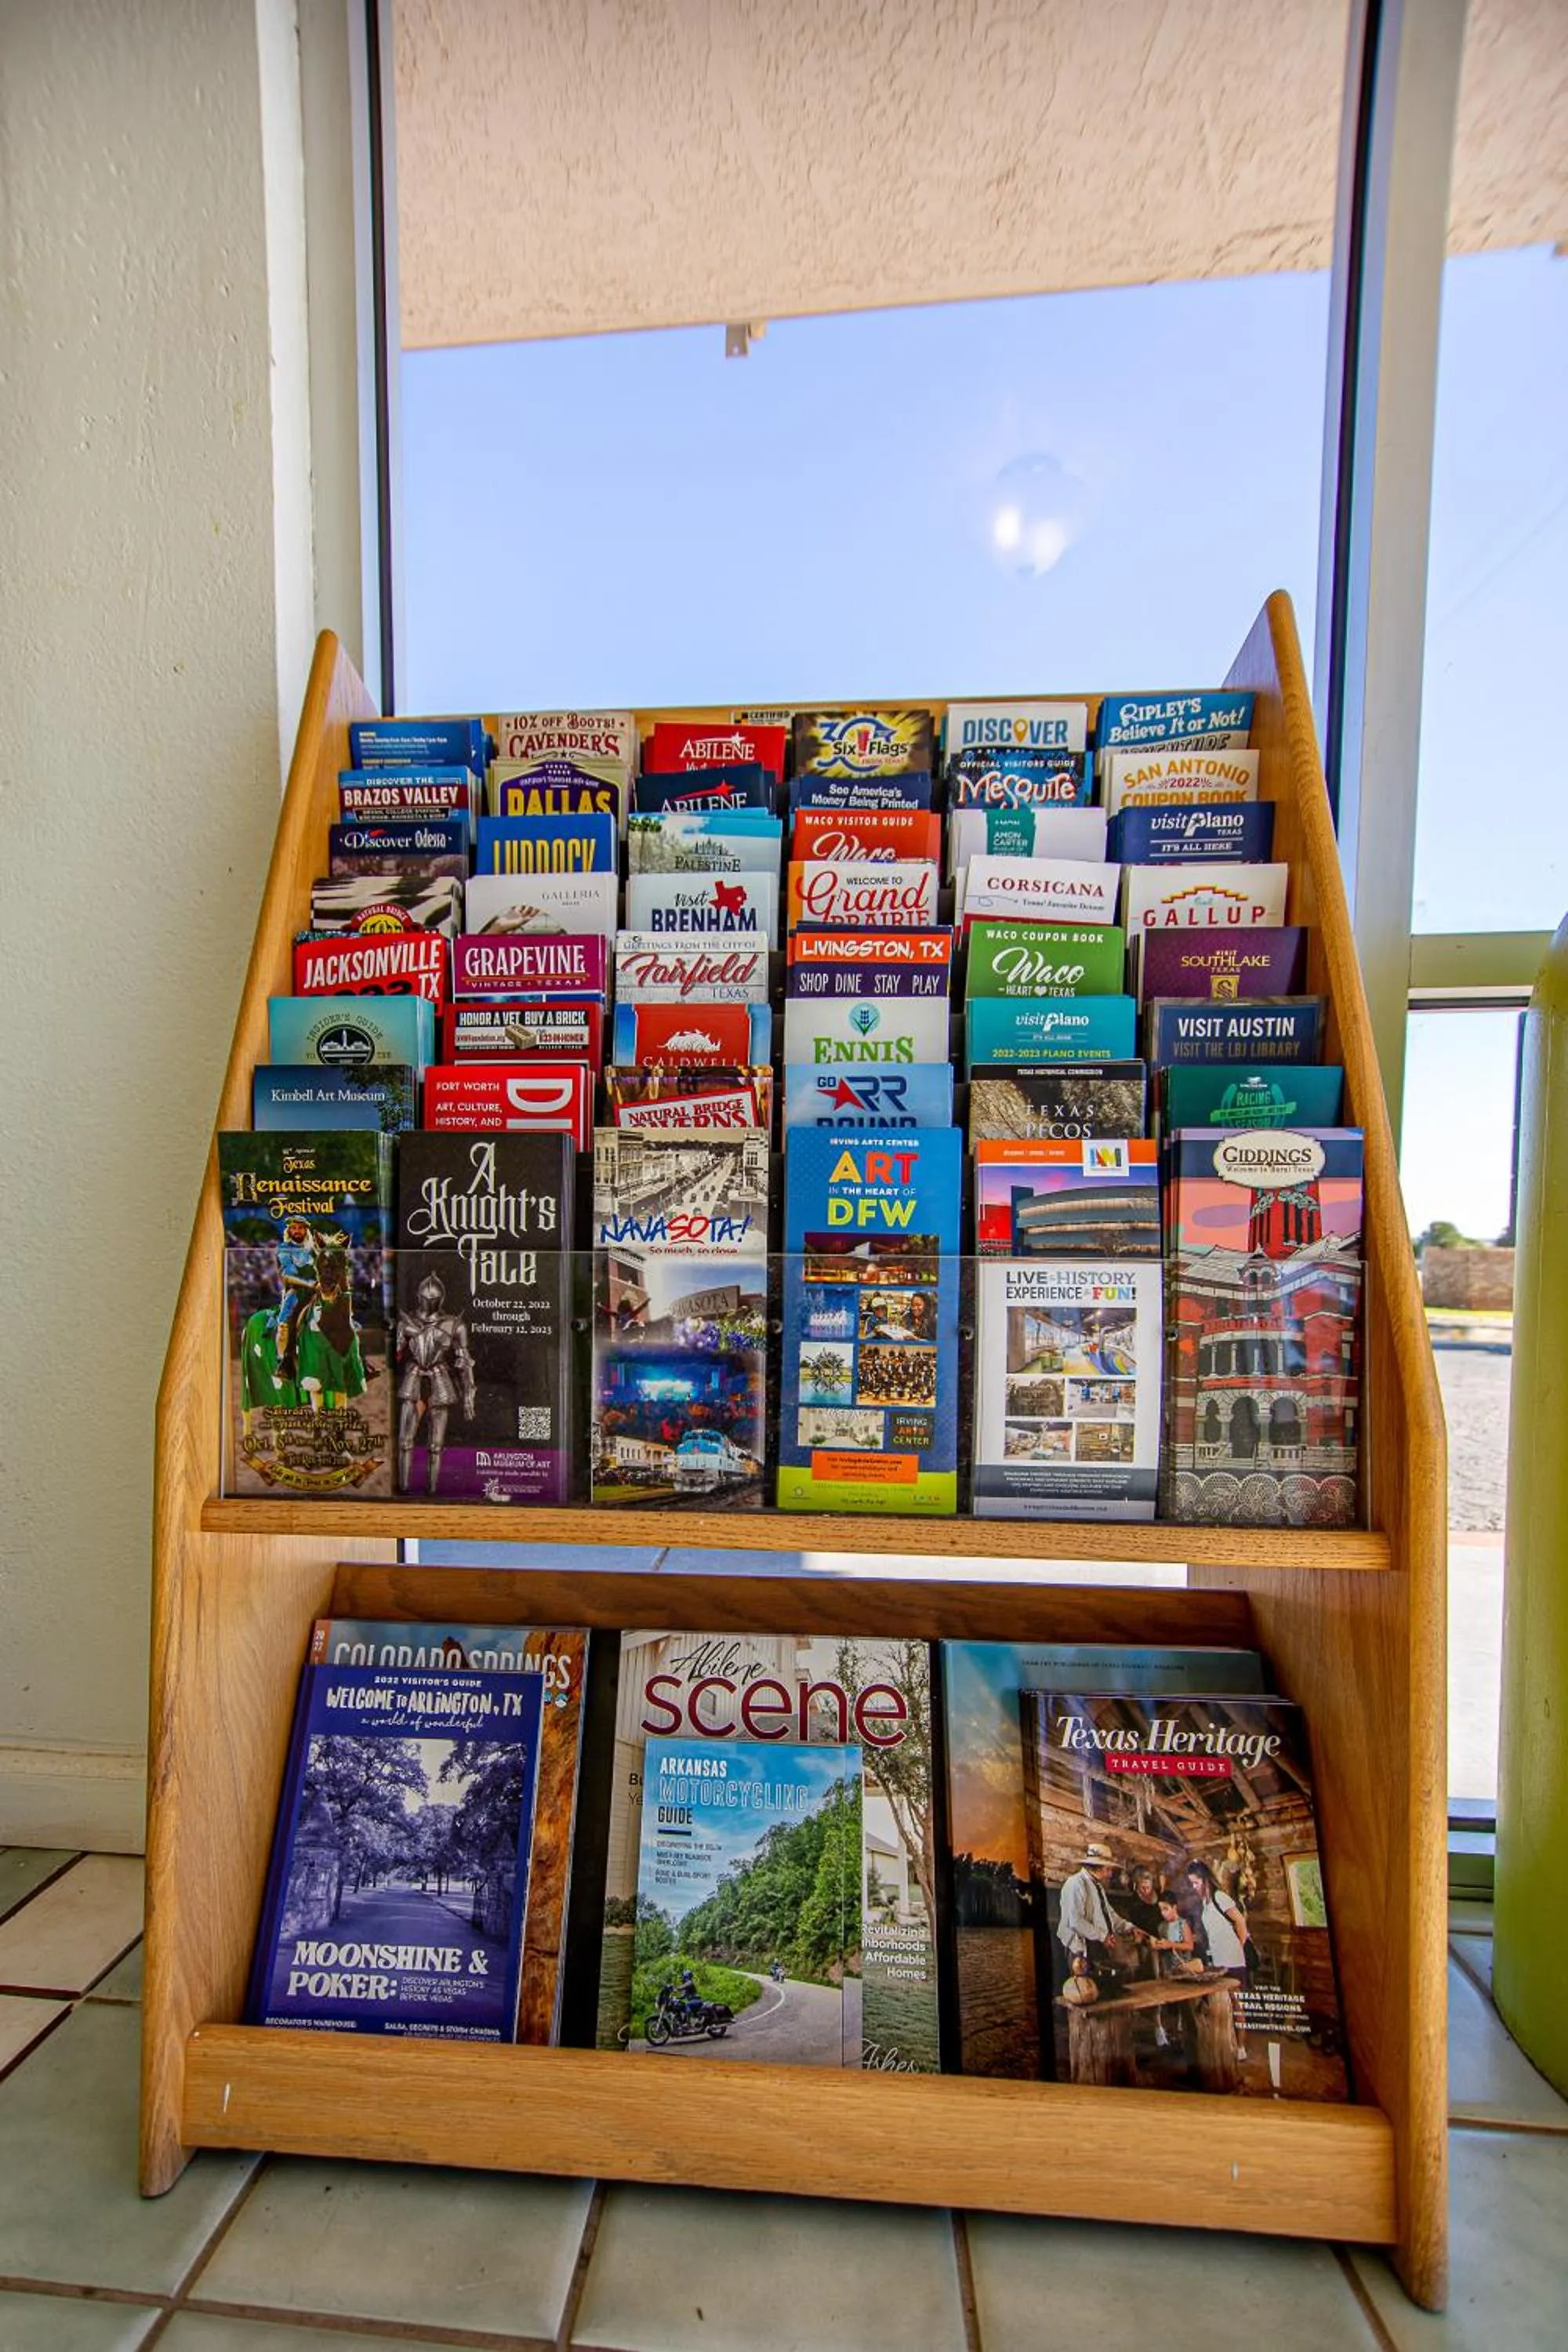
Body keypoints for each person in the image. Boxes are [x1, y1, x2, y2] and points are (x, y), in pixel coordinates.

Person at [1188, 1860, 1254, 2061]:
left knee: (1237, 2004)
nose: (1194, 1887)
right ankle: (1228, 2043)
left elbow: (1240, 1921)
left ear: (1205, 1880)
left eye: (1196, 1883)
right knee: (1222, 2003)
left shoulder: (1219, 1897)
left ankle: (1241, 2047)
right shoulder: (1205, 1903)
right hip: (1218, 1961)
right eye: (1191, 1883)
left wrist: (1238, 1947)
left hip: (1233, 1960)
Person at [1055, 1842, 1142, 1981]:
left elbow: (1110, 1915)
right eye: (1108, 1869)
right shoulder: (1075, 1884)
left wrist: (1130, 1928)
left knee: (1103, 1986)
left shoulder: (1098, 1887)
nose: (1111, 1874)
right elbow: (1075, 1921)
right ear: (1097, 1867)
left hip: (1096, 1945)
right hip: (1079, 1949)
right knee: (1085, 1992)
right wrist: (1103, 1937)